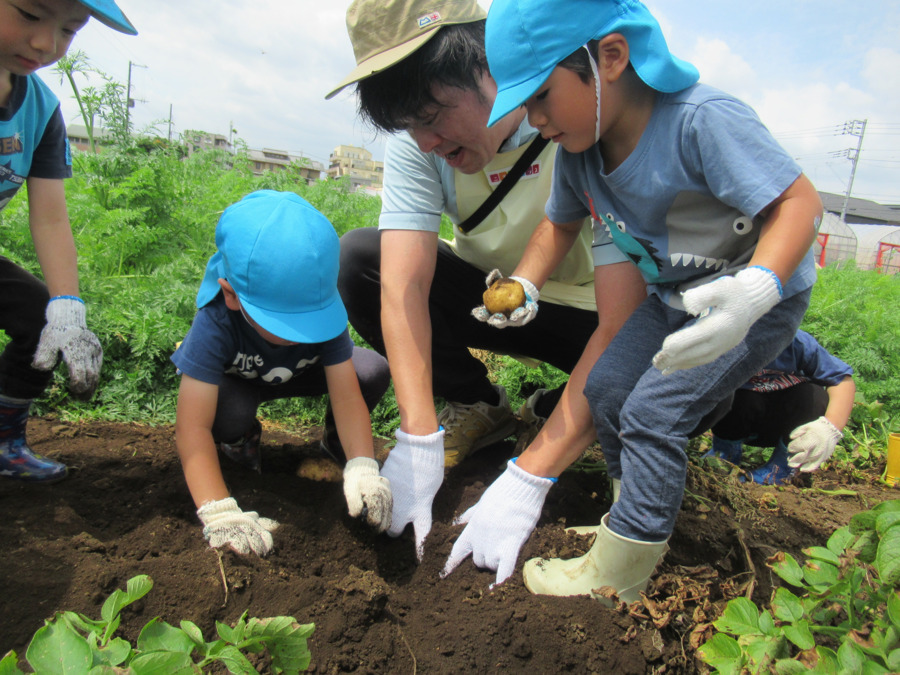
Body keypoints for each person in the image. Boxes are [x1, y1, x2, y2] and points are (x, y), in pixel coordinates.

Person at [441, 0, 823, 603]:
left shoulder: (701, 120)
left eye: (542, 95)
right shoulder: (579, 152)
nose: (534, 119)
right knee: (611, 389)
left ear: (611, 57)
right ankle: (631, 523)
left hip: (757, 295)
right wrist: (527, 284)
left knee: (654, 411)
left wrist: (756, 290)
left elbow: (799, 203)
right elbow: (558, 226)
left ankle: (623, 571)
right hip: (677, 296)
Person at [327, 0, 646, 559]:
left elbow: (627, 316)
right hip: (495, 299)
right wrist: (418, 437)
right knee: (360, 261)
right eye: (407, 126)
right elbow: (403, 285)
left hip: (602, 314)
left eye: (432, 116)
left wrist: (530, 476)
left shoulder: (581, 114)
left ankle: (566, 413)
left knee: (703, 390)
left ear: (490, 64)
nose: (426, 142)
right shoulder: (418, 146)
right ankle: (478, 404)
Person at [171, 190, 394, 557]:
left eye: (310, 320)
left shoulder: (319, 304)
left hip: (301, 374)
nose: (301, 333)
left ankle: (337, 445)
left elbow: (346, 394)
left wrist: (363, 465)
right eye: (285, 323)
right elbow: (190, 427)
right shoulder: (215, 318)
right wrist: (219, 510)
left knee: (369, 370)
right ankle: (238, 442)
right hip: (239, 383)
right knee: (228, 411)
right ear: (231, 295)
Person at [0, 0, 137, 483]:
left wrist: (67, 307)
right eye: (30, 15)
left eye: (69, 30)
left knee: (39, 317)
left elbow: (51, 221)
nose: (46, 43)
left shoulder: (39, 109)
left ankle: (5, 441)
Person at [706, 329, 855, 485]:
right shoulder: (720, 339)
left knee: (815, 396)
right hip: (737, 418)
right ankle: (724, 453)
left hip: (788, 426)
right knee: (731, 393)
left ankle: (782, 468)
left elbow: (842, 380)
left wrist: (829, 428)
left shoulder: (796, 343)